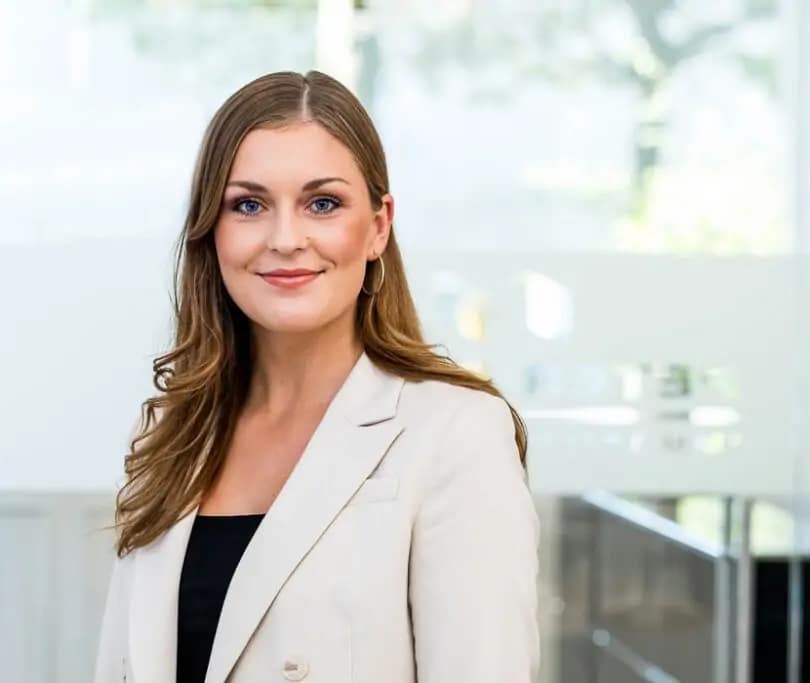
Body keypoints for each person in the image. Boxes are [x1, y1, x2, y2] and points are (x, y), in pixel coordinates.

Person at [92, 69, 540, 683]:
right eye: (248, 205)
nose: (285, 239)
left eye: (322, 203)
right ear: (211, 230)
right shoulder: (173, 433)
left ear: (379, 225)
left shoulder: (455, 434)